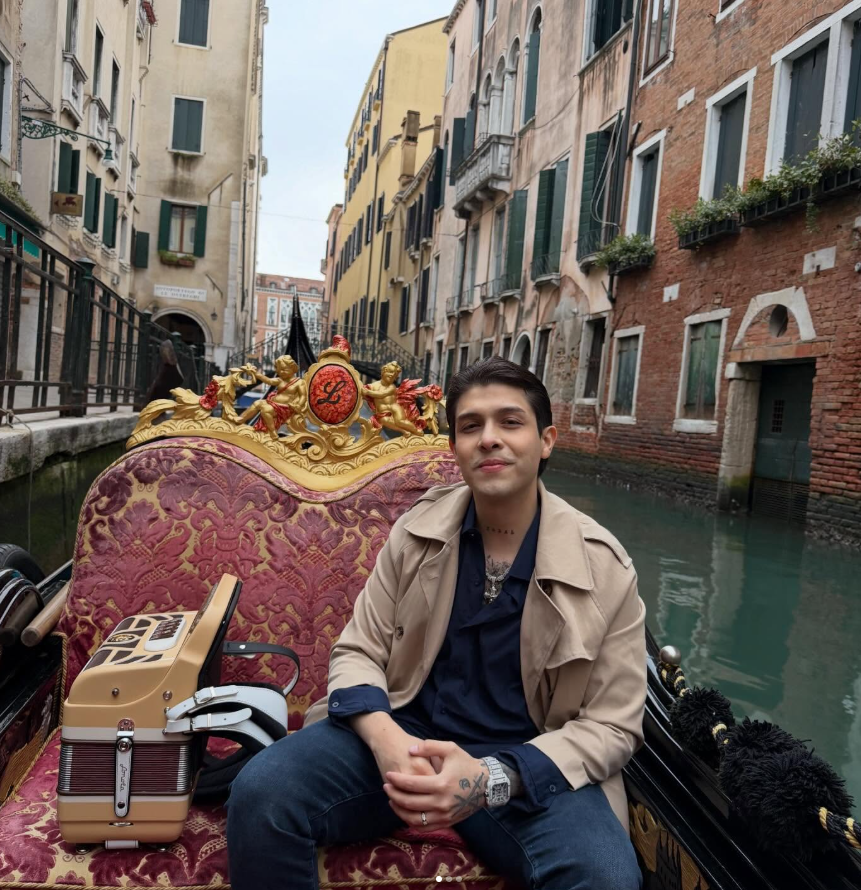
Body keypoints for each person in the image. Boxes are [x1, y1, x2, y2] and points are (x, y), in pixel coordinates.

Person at [226, 357, 646, 890]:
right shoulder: (415, 531)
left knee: (606, 877)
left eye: (510, 422)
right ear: (455, 448)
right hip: (407, 736)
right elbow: (358, 650)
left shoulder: (605, 567)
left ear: (546, 441)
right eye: (471, 426)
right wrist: (386, 741)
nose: (489, 438)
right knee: (262, 793)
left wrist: (489, 779)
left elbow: (613, 726)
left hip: (528, 762)